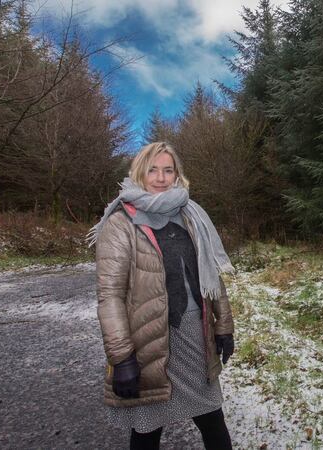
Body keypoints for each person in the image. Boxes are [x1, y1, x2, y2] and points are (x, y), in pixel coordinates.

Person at [87, 142, 236, 450]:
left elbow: (212, 276)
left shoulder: (191, 215)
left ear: (177, 175)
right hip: (147, 342)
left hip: (196, 337)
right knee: (147, 429)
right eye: (152, 169)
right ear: (139, 172)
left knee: (212, 419)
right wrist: (121, 357)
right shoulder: (120, 223)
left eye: (168, 170)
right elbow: (110, 296)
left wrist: (224, 325)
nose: (160, 177)